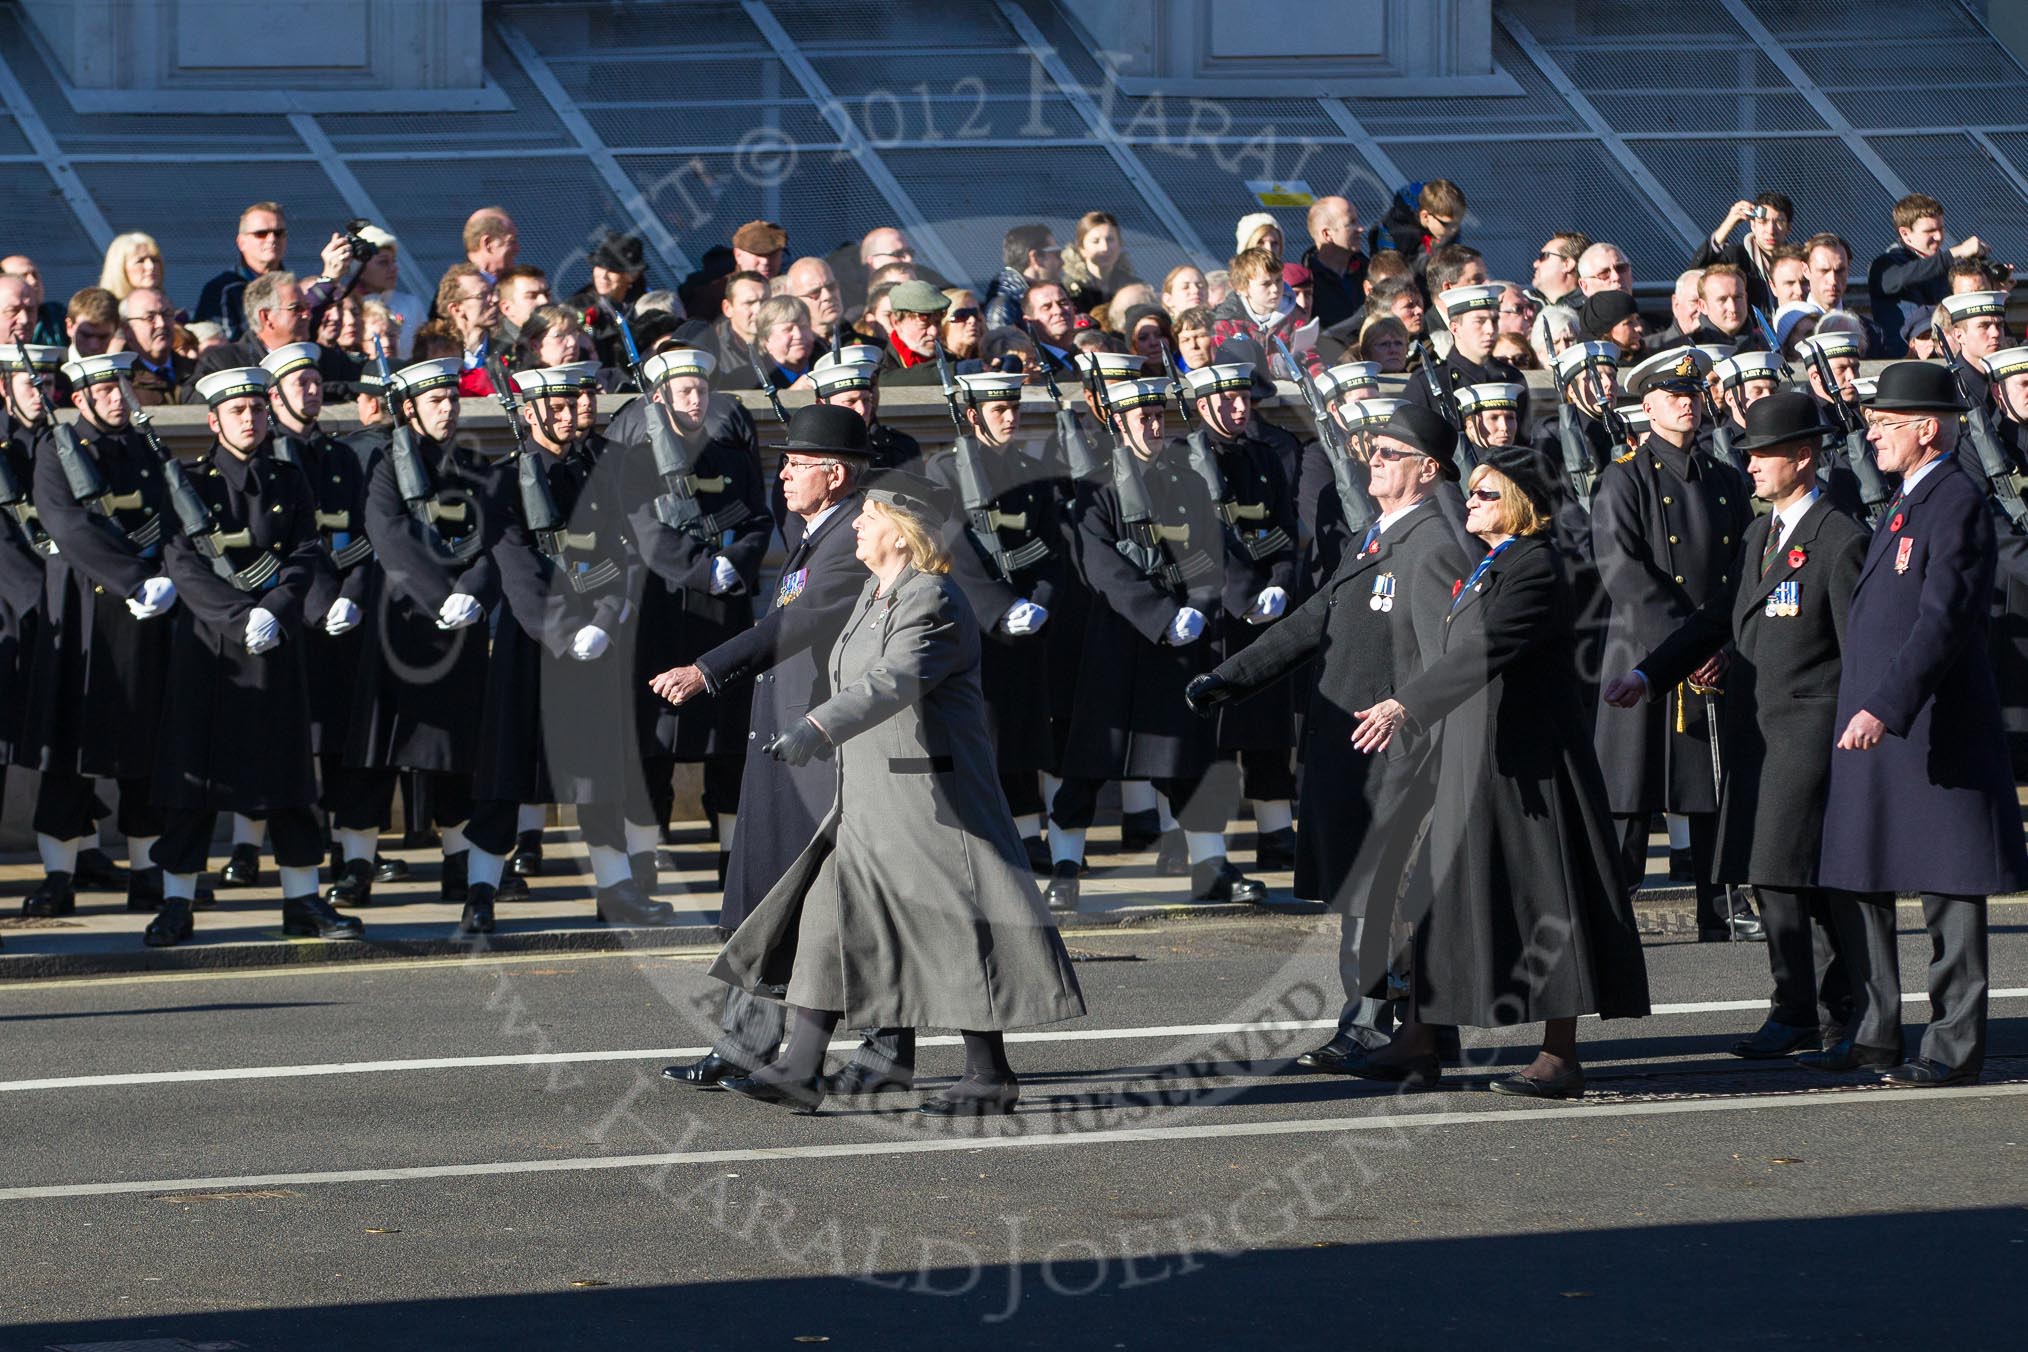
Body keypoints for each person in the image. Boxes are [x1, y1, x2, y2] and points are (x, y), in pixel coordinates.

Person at [709, 472, 1086, 1116]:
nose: (855, 523)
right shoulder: (870, 595)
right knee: (824, 924)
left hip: (930, 799)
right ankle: (801, 1065)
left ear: (904, 534)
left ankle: (989, 1073)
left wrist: (817, 726)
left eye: (870, 516)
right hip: (863, 797)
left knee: (957, 935)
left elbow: (895, 678)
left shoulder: (933, 598)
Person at [1347, 448, 1651, 1096]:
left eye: (1486, 494)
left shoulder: (1537, 566)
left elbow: (1489, 648)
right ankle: (1420, 1039)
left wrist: (1408, 705)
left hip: (1530, 770)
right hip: (1477, 760)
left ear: (1520, 503)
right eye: (1474, 492)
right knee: (1442, 897)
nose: (1472, 502)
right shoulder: (1494, 563)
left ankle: (1559, 1054)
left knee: (1548, 904)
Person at [1188, 404, 1470, 1068]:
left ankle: (1384, 1030)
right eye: (1374, 450)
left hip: (1397, 759)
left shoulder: (1434, 545)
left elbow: (1451, 660)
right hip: (1351, 754)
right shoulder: (1376, 535)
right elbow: (1314, 620)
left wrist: (1417, 727)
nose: (1374, 458)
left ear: (1428, 471)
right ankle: (1401, 1029)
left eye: (1390, 453)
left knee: (1387, 901)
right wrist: (1229, 678)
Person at [655, 406, 919, 1098]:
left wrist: (707, 669)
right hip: (792, 743)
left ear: (834, 476)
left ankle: (880, 1052)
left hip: (824, 750)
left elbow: (795, 625)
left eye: (797, 465)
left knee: (837, 906)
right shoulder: (819, 532)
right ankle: (747, 1045)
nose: (784, 475)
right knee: (781, 903)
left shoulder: (847, 538)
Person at [1604, 393, 1868, 1059]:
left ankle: (1828, 1010)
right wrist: (1649, 675)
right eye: (1746, 453)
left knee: (1798, 877)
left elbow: (1857, 648)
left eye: (1763, 454)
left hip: (1810, 732)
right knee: (1777, 875)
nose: (1749, 465)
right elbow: (1717, 616)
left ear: (1803, 458)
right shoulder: (1761, 534)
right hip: (1760, 731)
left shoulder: (1838, 537)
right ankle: (1812, 1011)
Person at [1807, 363, 2028, 1086]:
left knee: (1948, 890)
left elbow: (1943, 620)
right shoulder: (1908, 498)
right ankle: (1874, 1035)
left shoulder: (1954, 500)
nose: (1871, 433)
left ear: (1926, 429)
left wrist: (1885, 705)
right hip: (1879, 731)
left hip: (1928, 727)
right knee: (1858, 877)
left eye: (1886, 422)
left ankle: (1951, 1046)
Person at [139, 365, 352, 946]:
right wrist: (240, 618)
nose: (251, 419)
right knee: (194, 785)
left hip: (277, 643)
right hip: (212, 651)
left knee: (289, 779)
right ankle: (176, 906)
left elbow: (306, 552)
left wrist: (275, 610)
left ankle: (303, 901)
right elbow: (181, 562)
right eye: (238, 411)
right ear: (214, 420)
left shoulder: (289, 478)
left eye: (258, 409)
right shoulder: (189, 480)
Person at [1048, 377, 1268, 907]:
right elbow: (1102, 567)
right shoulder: (1096, 488)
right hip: (1120, 638)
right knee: (1089, 764)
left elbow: (1201, 552)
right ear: (1119, 425)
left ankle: (1211, 867)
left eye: (1157, 417)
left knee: (1186, 761)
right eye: (1140, 418)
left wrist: (1198, 605)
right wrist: (1162, 616)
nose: (1152, 426)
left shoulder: (1184, 481)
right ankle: (1065, 870)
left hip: (1176, 642)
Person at [1591, 347, 1761, 941]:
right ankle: (1611, 911)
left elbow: (1745, 570)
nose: (1686, 403)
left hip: (1711, 653)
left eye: (1692, 394)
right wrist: (1686, 647)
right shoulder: (1623, 477)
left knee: (1713, 786)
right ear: (1647, 405)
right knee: (1629, 795)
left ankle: (1722, 907)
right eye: (1672, 395)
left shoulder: (1725, 479)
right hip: (1645, 651)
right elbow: (1624, 572)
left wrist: (1725, 643)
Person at [18, 353, 175, 917]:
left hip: (144, 618)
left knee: (145, 752)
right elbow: (69, 528)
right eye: (105, 389)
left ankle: (149, 873)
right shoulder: (56, 452)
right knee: (69, 754)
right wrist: (135, 581)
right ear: (79, 399)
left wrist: (164, 581)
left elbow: (173, 517)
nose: (117, 397)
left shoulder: (143, 449)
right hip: (85, 616)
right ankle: (59, 879)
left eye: (122, 387)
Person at [606, 345, 769, 885]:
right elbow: (647, 533)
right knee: (655, 739)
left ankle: (733, 853)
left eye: (702, 390)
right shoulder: (636, 461)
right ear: (660, 399)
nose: (696, 400)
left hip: (723, 613)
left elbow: (757, 520)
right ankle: (644, 856)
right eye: (685, 392)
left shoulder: (732, 456)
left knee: (729, 737)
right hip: (663, 612)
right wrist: (703, 569)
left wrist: (735, 565)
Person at [351, 357, 500, 909]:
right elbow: (390, 538)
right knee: (379, 752)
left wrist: (475, 592)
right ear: (408, 408)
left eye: (453, 399)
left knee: (457, 752)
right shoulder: (384, 464)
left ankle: (457, 861)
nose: (448, 409)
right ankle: (358, 864)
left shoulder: (473, 465)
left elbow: (493, 539)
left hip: (458, 626)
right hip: (401, 626)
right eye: (436, 401)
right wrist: (445, 597)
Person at [249, 342, 388, 903]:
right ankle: (298, 868)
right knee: (294, 753)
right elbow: (280, 549)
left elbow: (363, 535)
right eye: (297, 383)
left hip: (345, 627)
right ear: (273, 394)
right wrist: (319, 600)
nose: (310, 391)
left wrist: (350, 595)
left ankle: (356, 862)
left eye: (314, 381)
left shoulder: (341, 457)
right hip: (291, 626)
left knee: (351, 751)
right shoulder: (269, 466)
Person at [924, 371, 1072, 872]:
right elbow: (953, 550)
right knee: (982, 733)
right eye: (997, 410)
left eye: (1014, 408)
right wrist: (997, 607)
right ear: (972, 417)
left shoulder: (1029, 469)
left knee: (1026, 729)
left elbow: (1053, 547)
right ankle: (986, 838)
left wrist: (1040, 601)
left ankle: (1029, 833)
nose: (1010, 417)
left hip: (1028, 622)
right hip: (976, 624)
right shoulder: (944, 471)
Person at [1867, 193, 1989, 357]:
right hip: (1903, 362)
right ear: (1905, 234)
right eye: (1930, 231)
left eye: (1941, 229)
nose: (1939, 237)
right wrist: (1957, 252)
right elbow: (1910, 274)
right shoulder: (1885, 266)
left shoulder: (1943, 266)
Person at [1406, 284, 1528, 426]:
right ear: (1455, 328)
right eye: (1479, 322)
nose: (1490, 329)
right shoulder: (1429, 382)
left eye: (1494, 321)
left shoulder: (1512, 378)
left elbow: (1523, 442)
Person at [194, 201, 289, 340]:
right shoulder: (221, 290)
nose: (271, 239)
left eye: (278, 233)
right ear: (241, 242)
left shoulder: (293, 289)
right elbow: (223, 350)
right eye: (261, 233)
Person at [1692, 191, 1793, 314]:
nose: (1771, 230)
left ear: (1789, 227)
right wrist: (1729, 223)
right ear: (1753, 225)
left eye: (1779, 222)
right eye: (1763, 222)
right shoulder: (1736, 257)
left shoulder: (1798, 262)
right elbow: (1694, 274)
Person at [118, 289, 195, 405]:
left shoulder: (196, 372)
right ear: (127, 329)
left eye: (166, 315)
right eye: (150, 318)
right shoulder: (120, 383)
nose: (161, 323)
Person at [1302, 196, 1367, 331]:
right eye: (1351, 223)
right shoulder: (1306, 287)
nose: (1361, 229)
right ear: (1327, 234)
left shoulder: (1370, 272)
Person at [982, 224, 1062, 330]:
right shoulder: (1004, 308)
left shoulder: (1056, 292)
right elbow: (1006, 345)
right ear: (1035, 257)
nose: (1062, 261)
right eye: (1056, 253)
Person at [874, 280, 951, 387]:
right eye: (924, 324)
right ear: (896, 322)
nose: (933, 332)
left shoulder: (952, 360)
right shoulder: (880, 367)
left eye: (937, 323)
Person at [1061, 211, 1139, 315]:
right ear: (1081, 249)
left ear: (1120, 243)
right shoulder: (1068, 290)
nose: (1105, 248)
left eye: (1110, 240)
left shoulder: (1133, 286)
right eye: (1095, 241)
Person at [98, 232, 168, 306]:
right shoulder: (104, 314)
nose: (151, 266)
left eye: (155, 260)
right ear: (120, 268)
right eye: (140, 261)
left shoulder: (172, 315)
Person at [1526, 231, 1590, 310]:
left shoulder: (1593, 313)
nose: (1535, 264)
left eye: (1544, 256)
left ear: (1567, 264)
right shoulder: (1524, 307)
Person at [462, 207, 519, 284]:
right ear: (488, 244)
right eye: (511, 241)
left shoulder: (515, 286)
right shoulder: (460, 290)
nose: (517, 248)